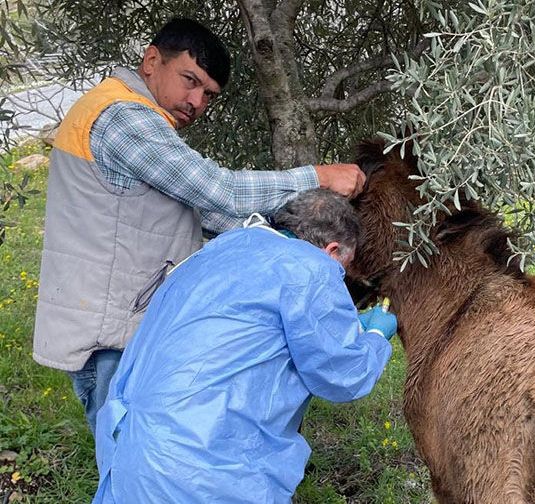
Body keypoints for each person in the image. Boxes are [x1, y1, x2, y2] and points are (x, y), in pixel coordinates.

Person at [32, 18, 366, 433]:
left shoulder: (129, 116)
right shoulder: (121, 118)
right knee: (137, 465)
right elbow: (218, 191)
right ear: (152, 60)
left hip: (121, 325)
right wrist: (316, 176)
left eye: (208, 94)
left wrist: (287, 239)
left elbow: (197, 212)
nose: (196, 101)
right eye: (189, 80)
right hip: (110, 337)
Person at [91, 188, 397, 503]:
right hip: (200, 467)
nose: (339, 276)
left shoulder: (222, 247)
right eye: (342, 268)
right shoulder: (310, 268)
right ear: (332, 249)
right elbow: (343, 375)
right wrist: (374, 337)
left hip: (128, 449)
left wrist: (338, 331)